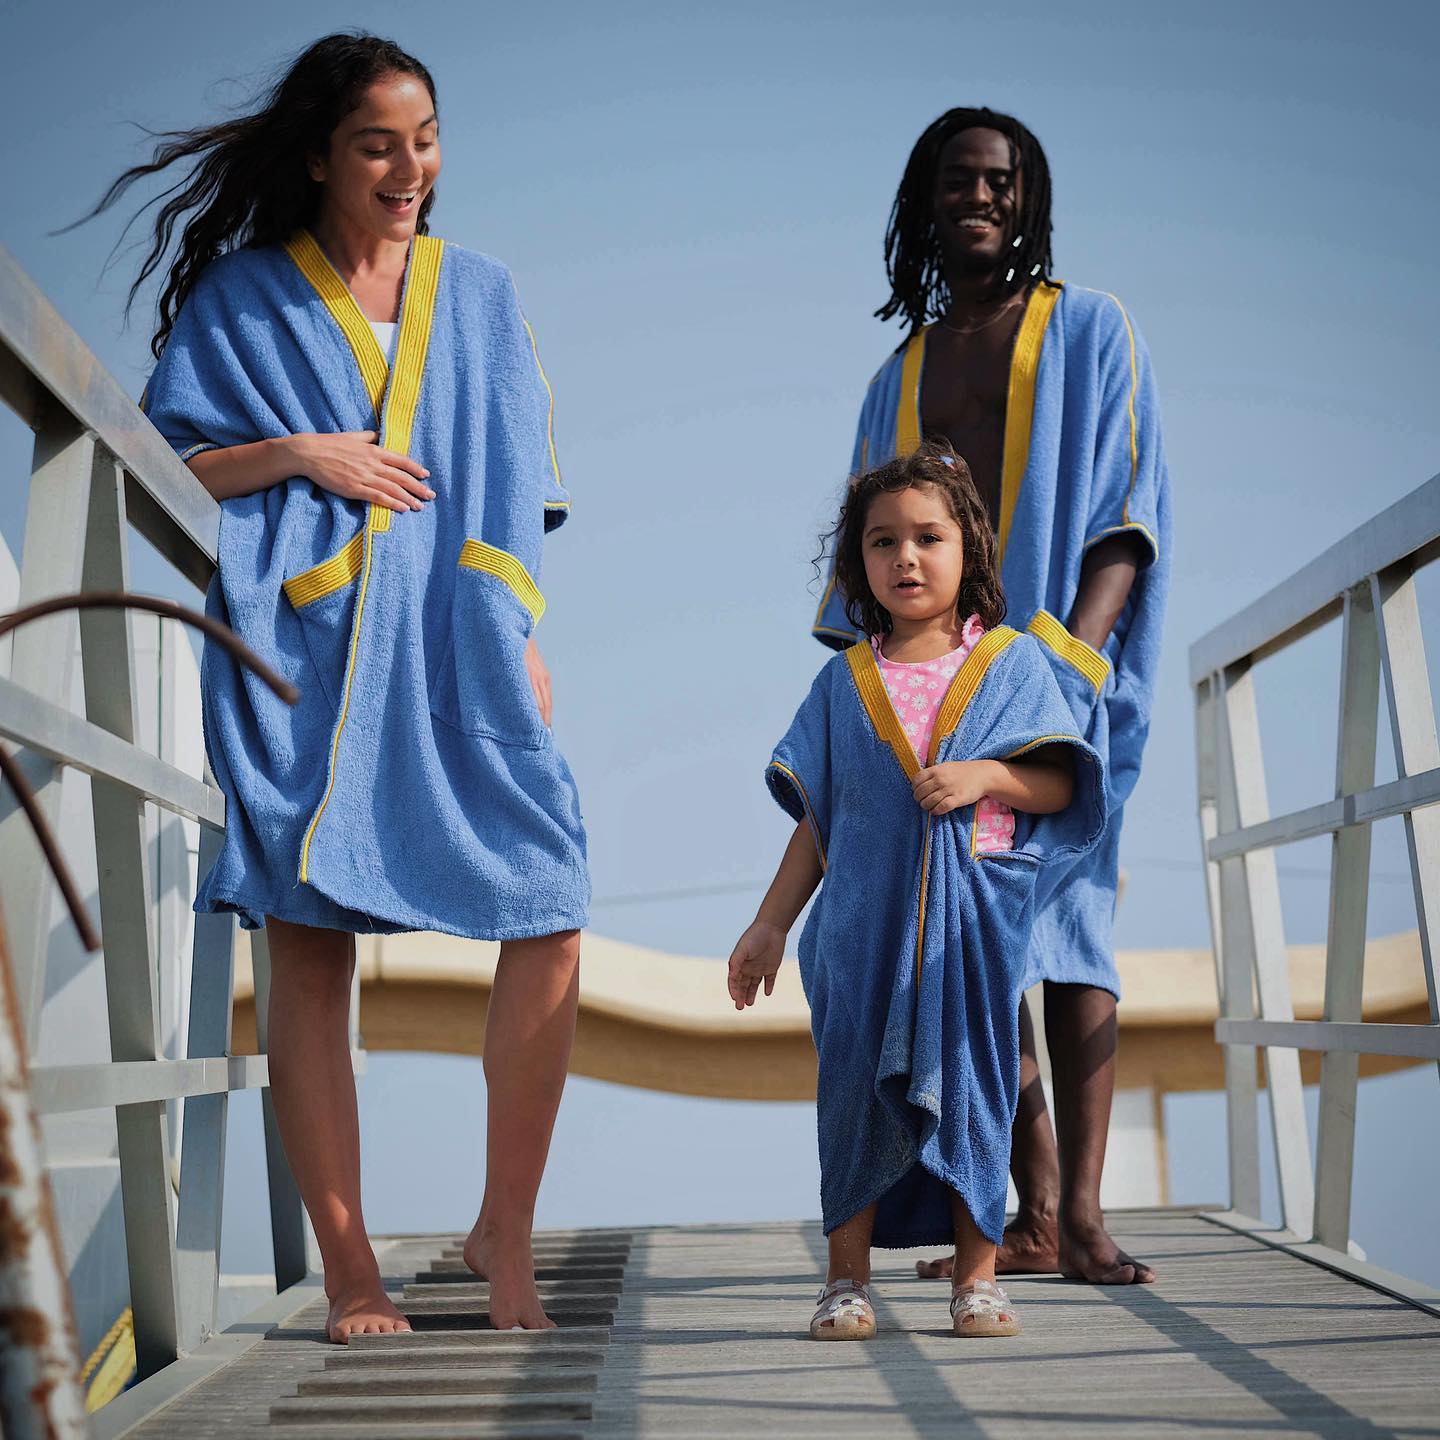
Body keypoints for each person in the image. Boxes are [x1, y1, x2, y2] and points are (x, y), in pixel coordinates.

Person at [94, 34, 590, 1339]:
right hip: (300, 655)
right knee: (310, 943)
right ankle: (352, 1269)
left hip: (460, 642)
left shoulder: (477, 293)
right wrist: (298, 454)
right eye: (379, 144)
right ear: (320, 155)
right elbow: (164, 465)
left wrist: (520, 624)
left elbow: (519, 483)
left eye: (425, 140)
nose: (409, 167)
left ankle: (504, 1232)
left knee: (549, 899)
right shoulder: (243, 300)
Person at [813, 108, 1171, 1286]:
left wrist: (1070, 662)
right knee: (969, 924)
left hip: (1066, 678)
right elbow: (867, 559)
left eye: (1002, 181)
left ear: (1030, 200)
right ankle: (1032, 1204)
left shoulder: (1094, 330)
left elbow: (1126, 513)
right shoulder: (896, 378)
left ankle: (1085, 1217)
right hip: (941, 694)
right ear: (925, 204)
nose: (981, 197)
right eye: (959, 181)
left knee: (1074, 927)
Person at [729, 444, 1105, 1340]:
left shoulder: (1011, 665)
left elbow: (1058, 783)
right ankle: (845, 1281)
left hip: (970, 933)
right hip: (859, 934)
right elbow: (818, 823)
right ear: (856, 563)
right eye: (882, 541)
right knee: (852, 1095)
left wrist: (988, 776)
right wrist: (770, 925)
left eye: (928, 538)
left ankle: (977, 1280)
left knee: (975, 1088)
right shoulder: (841, 684)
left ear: (968, 549)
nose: (906, 557)